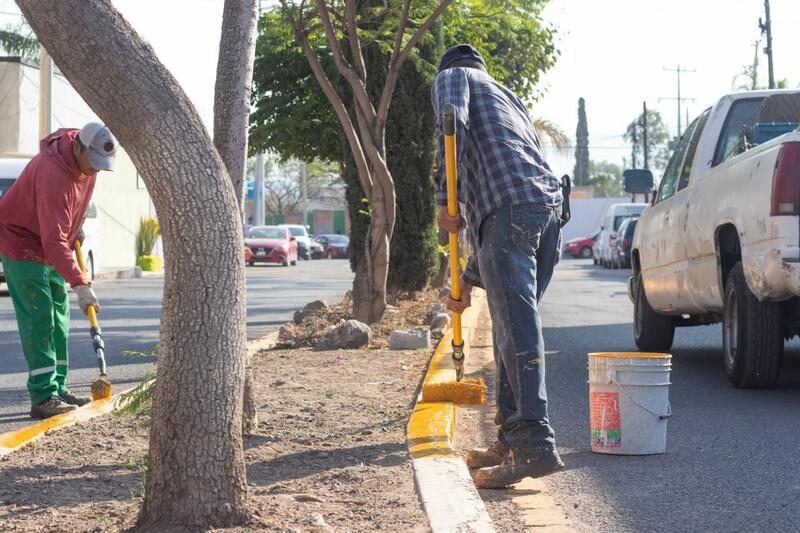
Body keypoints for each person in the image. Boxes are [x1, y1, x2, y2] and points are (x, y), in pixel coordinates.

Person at [432, 45, 565, 488]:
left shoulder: (454, 77)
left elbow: (451, 126)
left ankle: (534, 447)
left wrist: (443, 201)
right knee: (512, 327)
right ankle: (512, 439)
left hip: (511, 213)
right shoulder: (507, 95)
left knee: (516, 327)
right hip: (546, 214)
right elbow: (507, 187)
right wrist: (469, 279)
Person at [0, 123, 116, 419]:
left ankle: (58, 388)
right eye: (94, 164)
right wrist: (81, 283)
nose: (95, 171)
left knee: (59, 318)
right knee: (40, 317)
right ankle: (43, 395)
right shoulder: (53, 172)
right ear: (79, 146)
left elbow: (75, 205)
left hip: (51, 240)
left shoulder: (88, 165)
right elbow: (53, 239)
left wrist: (76, 228)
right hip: (21, 241)